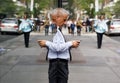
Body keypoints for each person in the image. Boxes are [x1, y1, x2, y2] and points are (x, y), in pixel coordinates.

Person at [38, 8, 80, 83]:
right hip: (58, 63)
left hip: (58, 63)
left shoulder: (59, 29)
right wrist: (71, 43)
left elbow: (58, 46)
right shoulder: (57, 30)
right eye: (64, 19)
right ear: (58, 17)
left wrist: (71, 45)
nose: (65, 21)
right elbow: (58, 48)